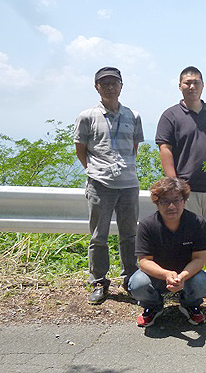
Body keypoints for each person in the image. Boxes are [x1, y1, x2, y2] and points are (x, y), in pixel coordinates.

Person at [155, 66, 206, 300]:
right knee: (186, 240)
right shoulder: (170, 115)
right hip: (185, 191)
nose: (192, 86)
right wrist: (174, 184)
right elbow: (165, 149)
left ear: (203, 85)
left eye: (196, 82)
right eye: (187, 82)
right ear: (180, 86)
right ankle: (184, 284)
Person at [74, 67, 143, 304]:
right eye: (104, 83)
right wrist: (96, 171)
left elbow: (134, 148)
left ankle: (131, 280)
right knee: (98, 236)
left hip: (129, 184)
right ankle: (99, 282)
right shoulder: (87, 116)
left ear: (122, 86)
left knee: (130, 235)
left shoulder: (134, 116)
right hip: (100, 183)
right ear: (97, 87)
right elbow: (80, 151)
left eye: (114, 83)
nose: (110, 87)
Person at [128, 177, 206, 327]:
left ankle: (190, 305)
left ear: (184, 201)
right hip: (156, 275)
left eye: (176, 200)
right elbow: (144, 261)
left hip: (187, 275)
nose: (171, 206)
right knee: (137, 283)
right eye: (165, 201)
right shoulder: (147, 225)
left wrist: (182, 277)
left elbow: (199, 259)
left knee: (202, 282)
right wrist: (166, 275)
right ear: (157, 203)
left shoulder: (197, 223)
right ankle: (153, 306)